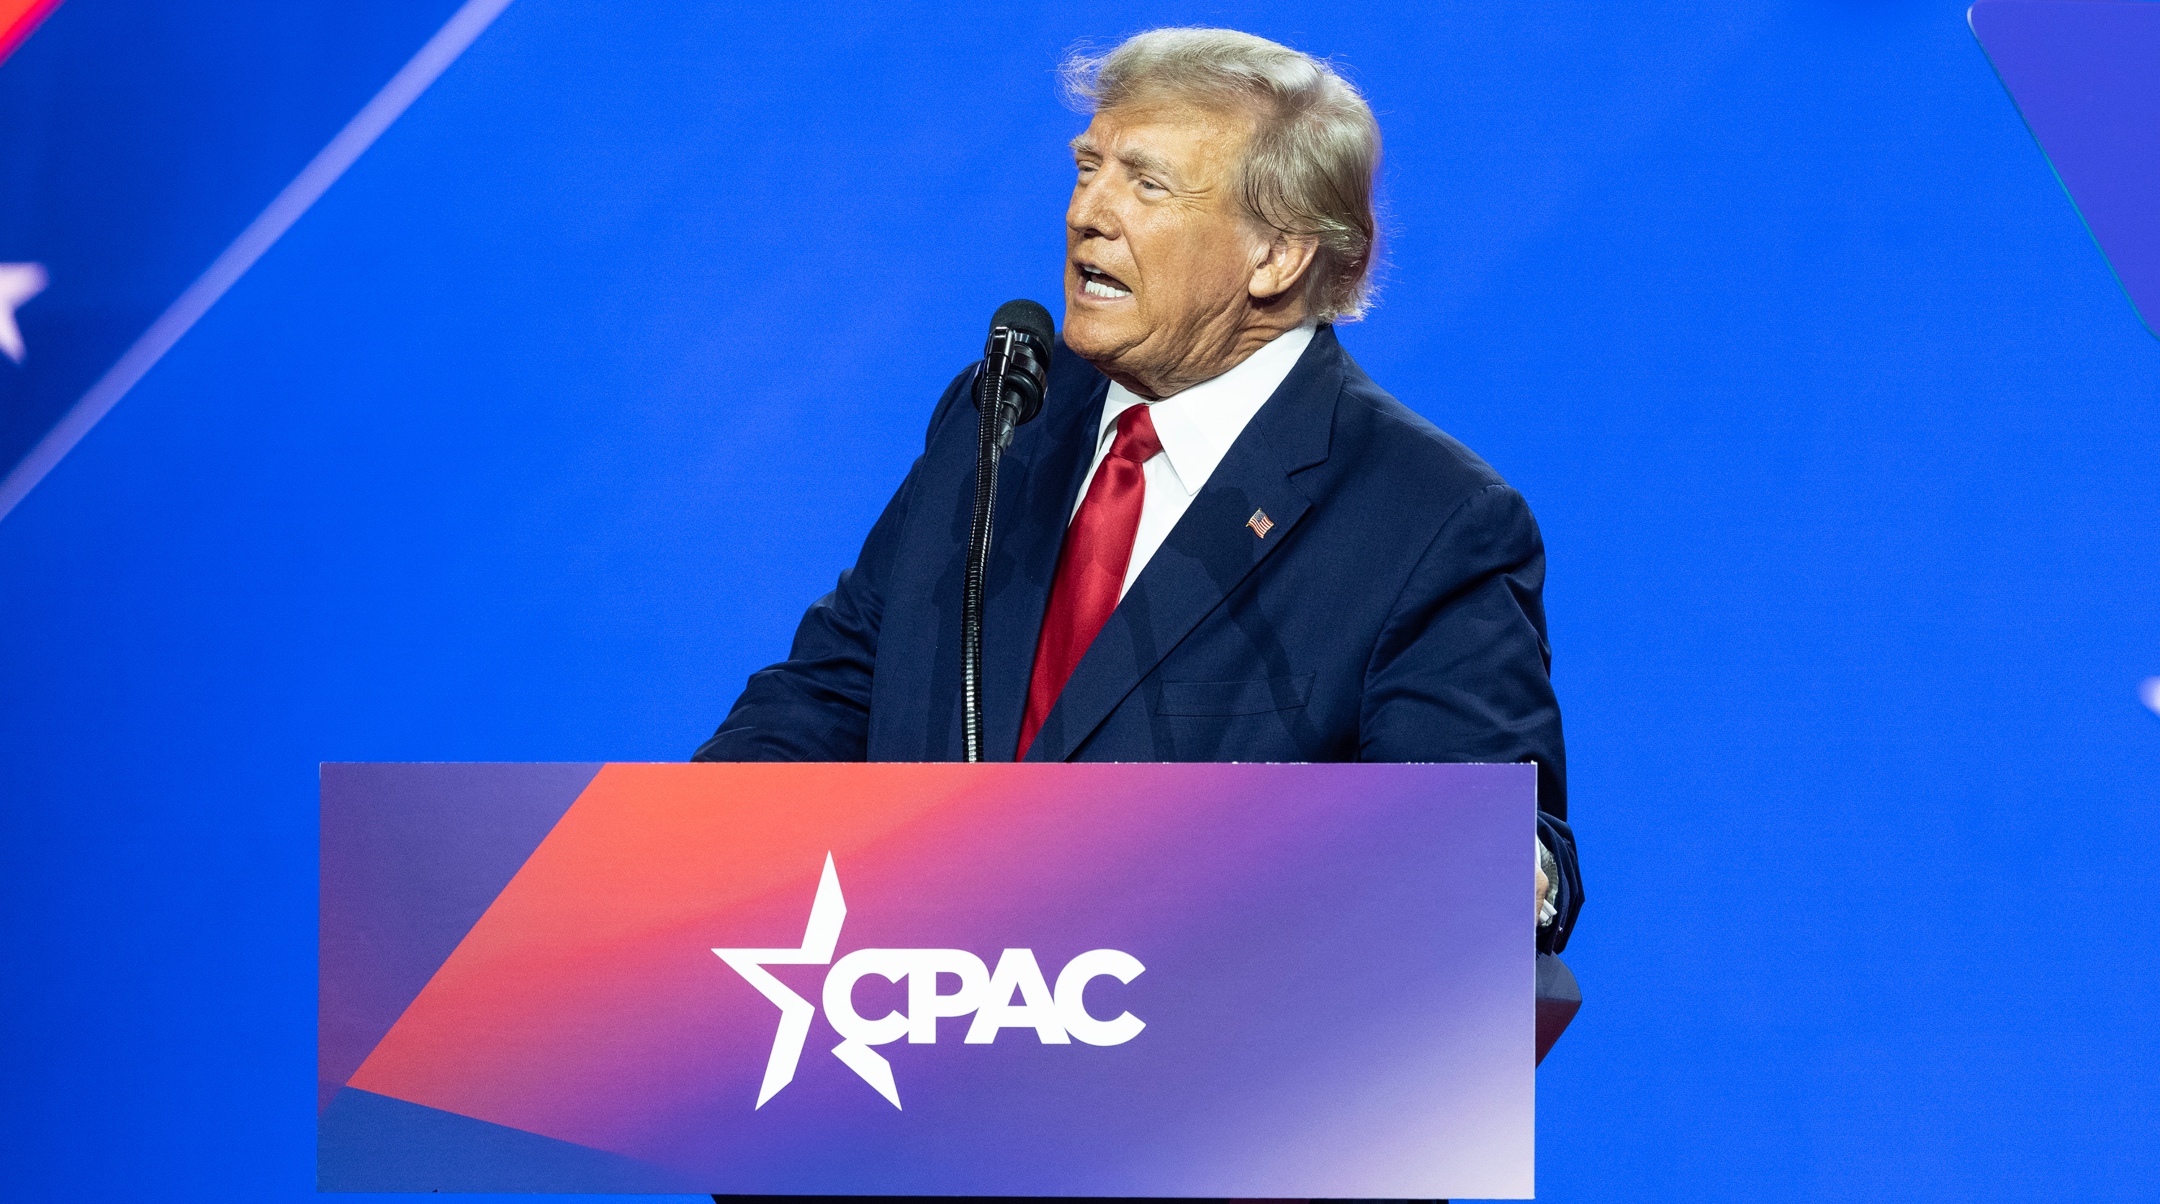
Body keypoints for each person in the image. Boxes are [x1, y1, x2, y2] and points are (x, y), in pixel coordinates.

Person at [694, 27, 1581, 952]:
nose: (1088, 211)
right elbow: (835, 690)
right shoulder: (1002, 418)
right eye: (1089, 167)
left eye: (1146, 183)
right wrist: (682, 855)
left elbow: (1489, 837)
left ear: (1275, 256)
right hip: (909, 1034)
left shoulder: (1427, 520)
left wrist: (1507, 868)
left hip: (1212, 1064)